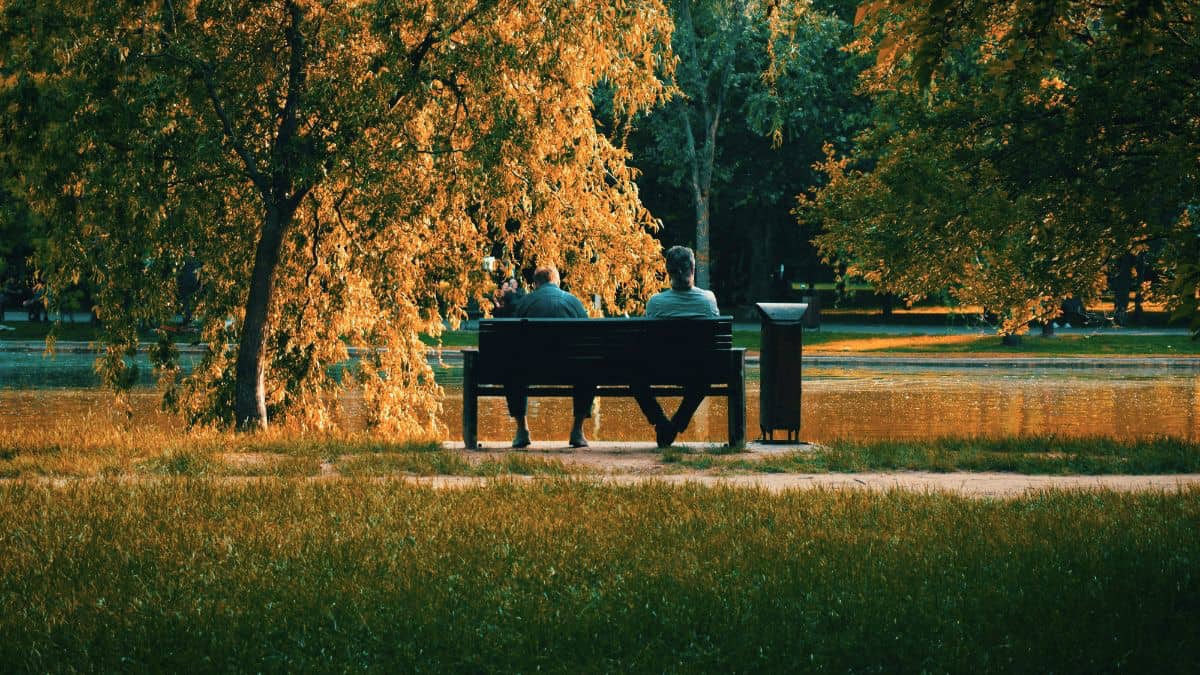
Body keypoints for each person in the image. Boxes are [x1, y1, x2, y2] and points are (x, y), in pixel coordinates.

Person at [636, 245, 719, 447]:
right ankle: (677, 423)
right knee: (704, 378)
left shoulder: (656, 303)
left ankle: (661, 422)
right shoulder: (708, 300)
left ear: (668, 271)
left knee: (635, 379)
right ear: (692, 267)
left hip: (659, 370)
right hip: (697, 371)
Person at [506, 265, 595, 448]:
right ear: (557, 281)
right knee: (588, 368)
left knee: (512, 369)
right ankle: (577, 431)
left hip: (530, 369)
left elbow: (512, 340)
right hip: (571, 369)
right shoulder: (573, 301)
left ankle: (522, 430)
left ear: (535, 283)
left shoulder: (525, 302)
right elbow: (588, 335)